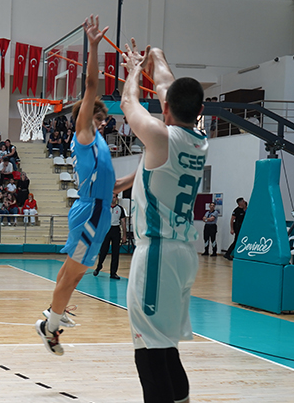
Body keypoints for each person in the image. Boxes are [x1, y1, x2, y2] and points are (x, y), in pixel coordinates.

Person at [116, 37, 209, 403]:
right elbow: (167, 85)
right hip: (184, 254)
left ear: (165, 109)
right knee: (166, 347)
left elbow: (128, 103)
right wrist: (156, 56)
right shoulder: (199, 138)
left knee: (150, 354)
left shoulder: (159, 136)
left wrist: (135, 69)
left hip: (157, 253)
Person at [35, 16, 116, 357]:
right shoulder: (84, 135)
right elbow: (92, 85)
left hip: (100, 210)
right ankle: (49, 327)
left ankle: (52, 317)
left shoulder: (101, 144)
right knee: (72, 275)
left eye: (101, 117)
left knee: (75, 274)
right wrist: (94, 46)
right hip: (90, 212)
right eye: (97, 116)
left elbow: (111, 184)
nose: (102, 120)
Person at [94, 194, 127, 279]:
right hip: (106, 229)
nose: (113, 198)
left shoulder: (120, 209)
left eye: (115, 197)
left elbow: (123, 222)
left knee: (115, 252)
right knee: (103, 250)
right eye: (112, 197)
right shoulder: (105, 208)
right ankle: (99, 266)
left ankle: (113, 273)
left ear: (116, 198)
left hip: (116, 230)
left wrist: (124, 235)